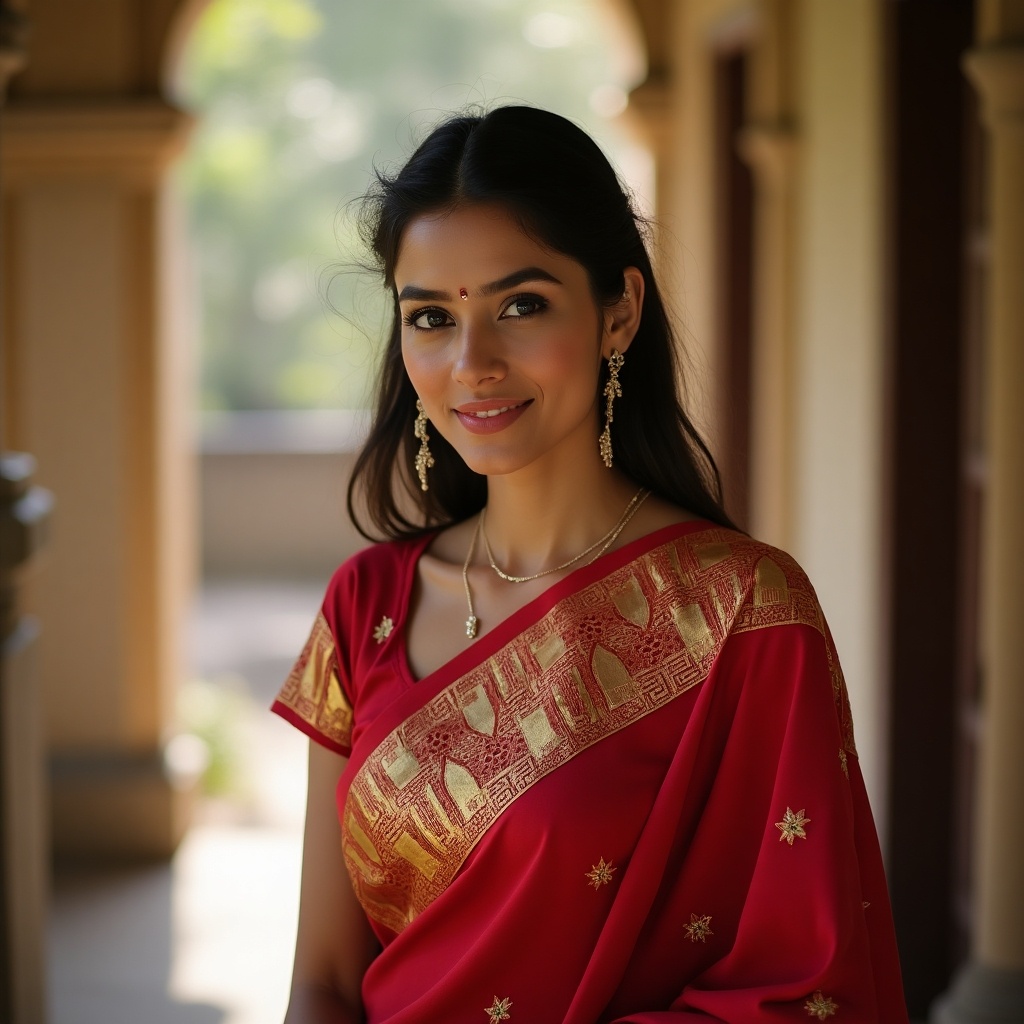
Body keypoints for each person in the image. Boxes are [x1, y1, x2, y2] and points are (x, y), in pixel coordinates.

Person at [272, 105, 907, 1023]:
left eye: (520, 306)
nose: (471, 362)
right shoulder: (364, 602)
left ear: (619, 312)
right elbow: (321, 983)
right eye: (430, 317)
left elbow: (802, 987)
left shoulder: (743, 610)